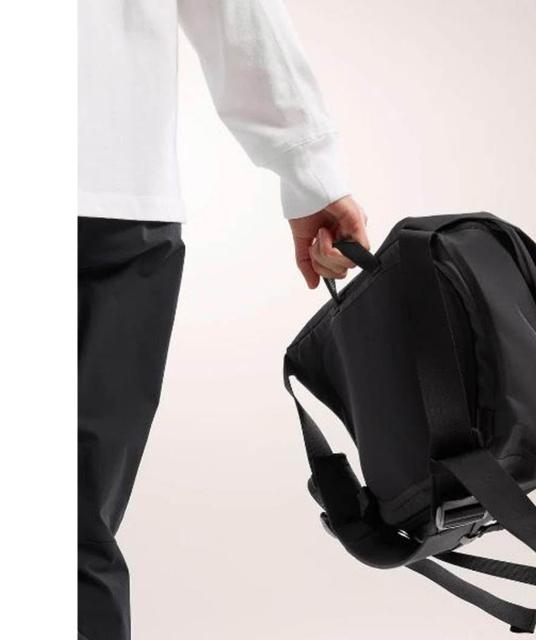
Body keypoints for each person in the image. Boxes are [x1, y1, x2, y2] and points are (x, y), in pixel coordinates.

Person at [78, 2, 369, 639]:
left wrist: (311, 173)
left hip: (116, 207)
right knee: (75, 529)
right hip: (116, 199)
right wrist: (310, 172)